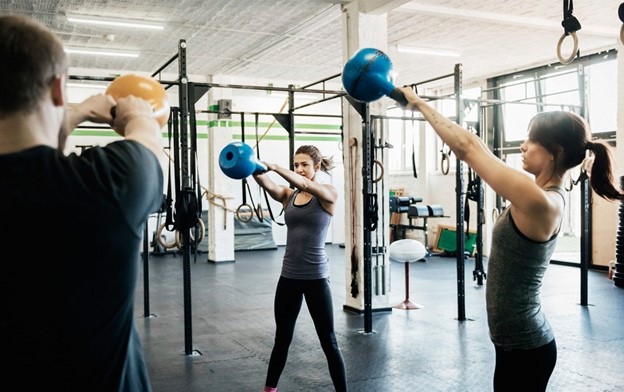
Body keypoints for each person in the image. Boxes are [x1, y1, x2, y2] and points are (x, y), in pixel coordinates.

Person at [397, 86, 624, 392]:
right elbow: (478, 147)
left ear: (553, 152)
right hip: (515, 345)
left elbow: (468, 148)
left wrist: (419, 104)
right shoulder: (538, 194)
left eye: (531, 140)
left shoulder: (541, 201)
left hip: (527, 348)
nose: (523, 146)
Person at [0, 15, 165, 391]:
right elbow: (148, 144)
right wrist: (138, 112)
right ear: (58, 88)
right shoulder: (105, 185)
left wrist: (73, 112)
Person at [252, 145, 348, 392]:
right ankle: (269, 389)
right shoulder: (289, 196)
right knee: (281, 338)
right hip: (289, 277)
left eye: (305, 164)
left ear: (317, 166)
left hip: (316, 278)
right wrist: (253, 166)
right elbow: (268, 184)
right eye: (296, 165)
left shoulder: (328, 194)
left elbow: (305, 185)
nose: (300, 169)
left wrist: (276, 167)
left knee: (329, 342)